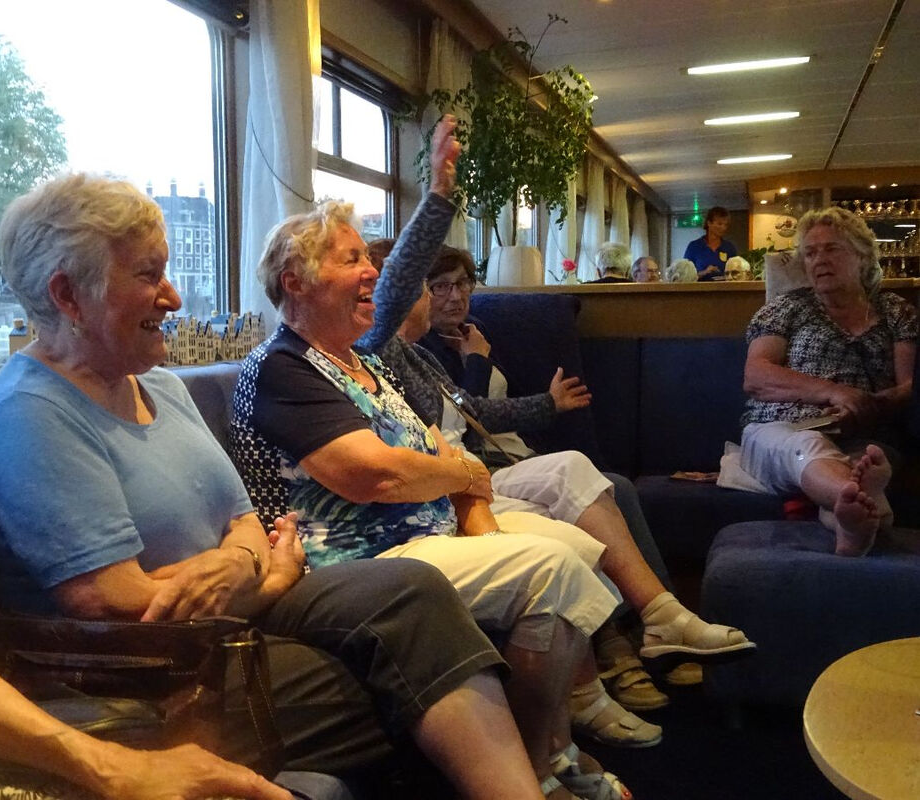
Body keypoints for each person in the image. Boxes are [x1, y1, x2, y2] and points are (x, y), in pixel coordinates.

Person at [0, 170, 546, 800]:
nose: (173, 297)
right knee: (405, 678)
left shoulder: (159, 386)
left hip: (234, 615)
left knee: (412, 590)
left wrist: (239, 563)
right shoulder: (30, 416)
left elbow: (243, 522)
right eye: (148, 275)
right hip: (147, 671)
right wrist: (264, 578)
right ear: (68, 296)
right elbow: (116, 602)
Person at [234, 118, 633, 800]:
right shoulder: (282, 367)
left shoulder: (359, 361)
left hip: (423, 533)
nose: (371, 272)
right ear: (295, 282)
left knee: (577, 549)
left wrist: (466, 492)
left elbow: (434, 447)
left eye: (368, 259)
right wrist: (465, 476)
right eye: (351, 260)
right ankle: (542, 763)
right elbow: (377, 475)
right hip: (352, 560)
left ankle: (551, 745)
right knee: (553, 571)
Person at [367, 237, 756, 732]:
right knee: (579, 495)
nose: (448, 296)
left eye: (460, 284)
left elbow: (469, 410)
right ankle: (625, 645)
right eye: (433, 286)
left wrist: (545, 401)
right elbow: (460, 420)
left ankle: (654, 624)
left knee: (595, 479)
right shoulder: (396, 352)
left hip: (492, 466)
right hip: (468, 478)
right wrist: (493, 373)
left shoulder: (434, 351)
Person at [0, 517, 290, 800]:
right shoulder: (28, 427)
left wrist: (116, 768)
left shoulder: (170, 404)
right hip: (163, 654)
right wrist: (266, 579)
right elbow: (119, 600)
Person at [740, 206, 917, 557]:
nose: (819, 259)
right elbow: (756, 375)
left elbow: (910, 387)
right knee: (809, 446)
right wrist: (835, 392)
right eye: (810, 253)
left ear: (862, 255)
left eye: (832, 248)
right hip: (781, 428)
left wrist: (868, 405)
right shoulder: (786, 308)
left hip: (865, 432)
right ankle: (860, 497)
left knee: (871, 456)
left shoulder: (896, 311)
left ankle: (849, 523)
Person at [684, 207, 737, 281]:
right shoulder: (694, 246)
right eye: (720, 224)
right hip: (700, 287)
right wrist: (704, 272)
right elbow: (685, 276)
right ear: (709, 223)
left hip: (724, 287)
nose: (723, 228)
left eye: (726, 225)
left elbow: (736, 274)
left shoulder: (729, 248)